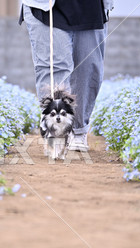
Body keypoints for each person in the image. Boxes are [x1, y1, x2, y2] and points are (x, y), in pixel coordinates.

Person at [19, 0, 114, 151]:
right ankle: (56, 129)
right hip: (46, 7)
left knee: (88, 69)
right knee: (55, 66)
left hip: (91, 7)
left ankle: (78, 129)